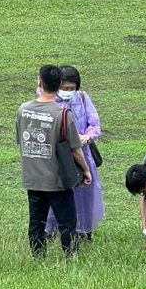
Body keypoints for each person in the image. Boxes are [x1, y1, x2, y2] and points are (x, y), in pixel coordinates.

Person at [17, 64, 91, 257]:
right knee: (67, 222)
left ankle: (38, 257)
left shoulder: (23, 110)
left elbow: (20, 141)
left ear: (39, 82)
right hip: (57, 180)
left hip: (32, 178)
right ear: (59, 85)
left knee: (36, 222)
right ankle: (70, 256)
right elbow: (75, 150)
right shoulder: (63, 114)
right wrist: (85, 170)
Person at [45, 65, 104, 239]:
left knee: (85, 193)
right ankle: (52, 228)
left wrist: (87, 137)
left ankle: (84, 230)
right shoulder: (49, 100)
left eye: (72, 88)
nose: (68, 91)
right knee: (57, 192)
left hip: (83, 154)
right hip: (58, 155)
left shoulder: (83, 98)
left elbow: (95, 124)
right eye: (65, 88)